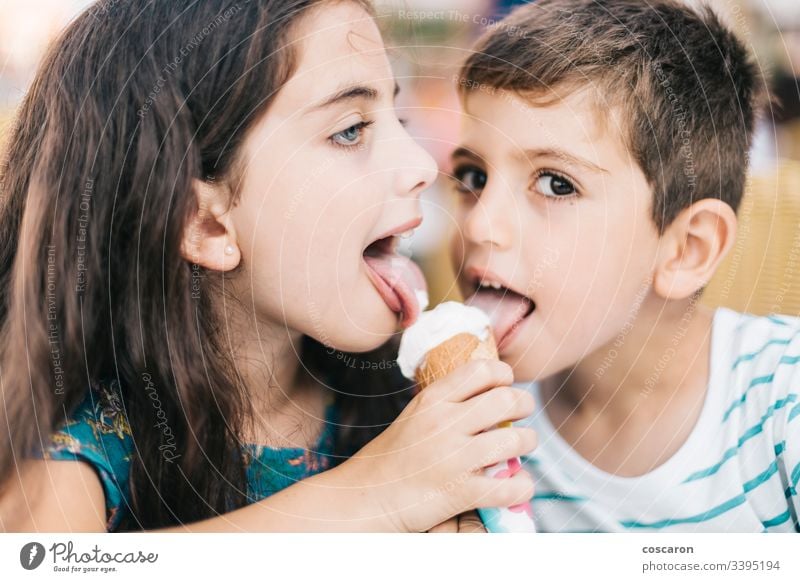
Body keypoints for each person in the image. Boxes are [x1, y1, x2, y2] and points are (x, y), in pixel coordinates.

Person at [0, 0, 536, 532]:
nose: (423, 164)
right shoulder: (77, 445)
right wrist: (374, 496)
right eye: (350, 130)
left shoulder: (404, 410)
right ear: (205, 225)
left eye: (396, 117)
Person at [449, 0, 798, 531]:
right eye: (473, 178)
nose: (478, 225)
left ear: (687, 251)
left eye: (555, 183)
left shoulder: (783, 403)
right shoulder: (479, 432)